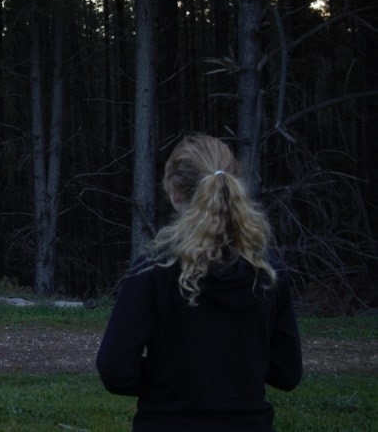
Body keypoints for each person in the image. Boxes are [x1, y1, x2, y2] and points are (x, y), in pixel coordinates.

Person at [96, 134, 302, 431]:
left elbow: (114, 368)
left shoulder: (155, 269)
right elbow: (287, 373)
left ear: (174, 192)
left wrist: (163, 381)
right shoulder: (267, 273)